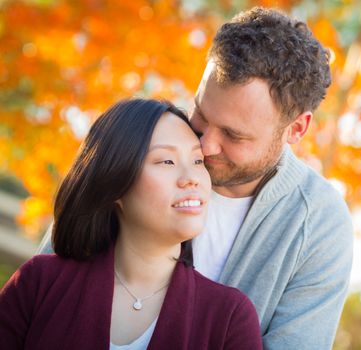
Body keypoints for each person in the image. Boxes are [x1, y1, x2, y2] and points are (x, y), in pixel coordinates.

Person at [39, 6, 353, 349]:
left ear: (296, 129)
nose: (204, 145)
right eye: (201, 114)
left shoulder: (319, 224)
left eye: (234, 136)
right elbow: (46, 282)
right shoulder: (144, 142)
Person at [1, 99, 263, 350]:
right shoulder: (39, 282)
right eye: (166, 161)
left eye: (197, 161)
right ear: (115, 182)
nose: (192, 178)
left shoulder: (230, 319)